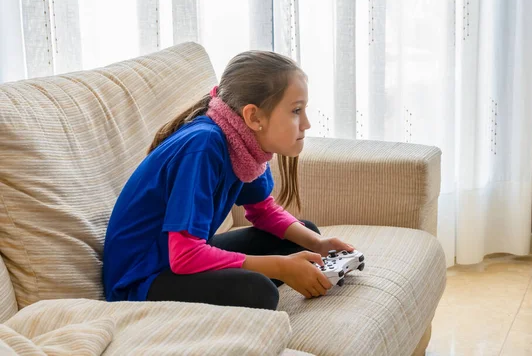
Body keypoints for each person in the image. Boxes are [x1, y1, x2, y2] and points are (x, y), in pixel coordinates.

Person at [102, 50, 354, 310]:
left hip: (176, 257)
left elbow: (263, 211)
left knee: (305, 234)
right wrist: (280, 267)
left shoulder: (244, 143)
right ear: (254, 117)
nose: (307, 124)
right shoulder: (203, 145)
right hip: (141, 279)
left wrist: (318, 244)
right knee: (259, 292)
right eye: (296, 111)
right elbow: (185, 255)